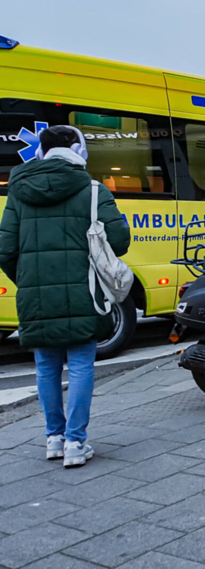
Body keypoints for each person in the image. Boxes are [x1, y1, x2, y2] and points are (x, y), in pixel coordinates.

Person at [0, 126, 130, 468]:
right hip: (83, 289)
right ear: (77, 148)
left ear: (42, 151)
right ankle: (76, 442)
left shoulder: (18, 189)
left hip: (34, 293)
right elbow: (119, 240)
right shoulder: (92, 190)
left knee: (46, 365)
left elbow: (5, 249)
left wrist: (30, 280)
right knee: (82, 363)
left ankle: (53, 439)